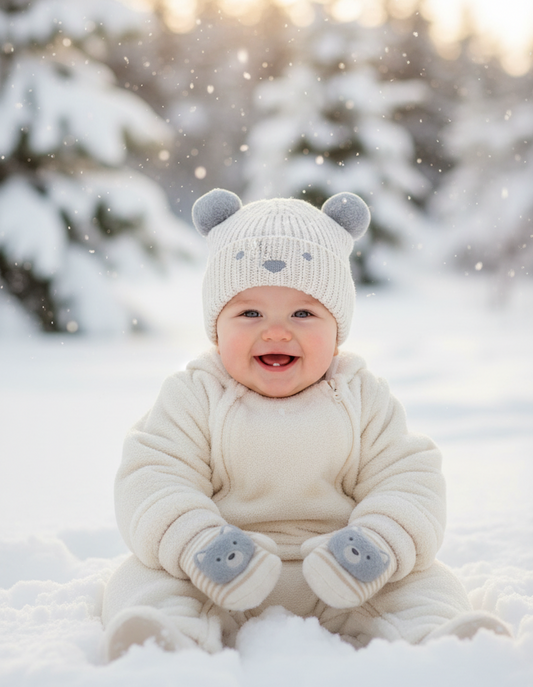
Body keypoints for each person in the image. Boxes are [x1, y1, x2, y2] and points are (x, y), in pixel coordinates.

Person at [102, 189, 510, 661]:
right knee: (139, 578)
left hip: (346, 577)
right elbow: (153, 478)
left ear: (338, 332)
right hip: (218, 574)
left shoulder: (362, 396)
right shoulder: (194, 395)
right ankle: (166, 642)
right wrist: (202, 546)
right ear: (216, 328)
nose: (276, 331)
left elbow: (409, 479)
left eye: (303, 313)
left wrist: (374, 547)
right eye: (249, 312)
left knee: (428, 581)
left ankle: (442, 643)